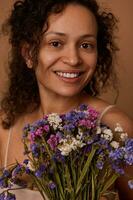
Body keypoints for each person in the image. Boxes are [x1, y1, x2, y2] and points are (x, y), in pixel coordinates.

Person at [0, 0, 133, 199]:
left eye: (86, 45)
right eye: (56, 43)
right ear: (29, 53)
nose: (73, 59)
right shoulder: (6, 125)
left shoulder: (115, 126)